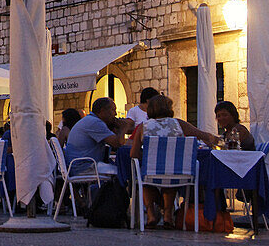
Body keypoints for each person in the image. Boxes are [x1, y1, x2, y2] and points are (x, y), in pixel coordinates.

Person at [130, 95, 195, 228]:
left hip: (150, 174)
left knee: (146, 179)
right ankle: (167, 216)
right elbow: (202, 135)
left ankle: (150, 215)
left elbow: (134, 154)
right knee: (169, 177)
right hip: (176, 174)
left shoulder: (144, 126)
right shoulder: (178, 124)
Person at [65, 97, 123, 177]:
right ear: (102, 111)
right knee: (122, 170)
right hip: (83, 167)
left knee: (117, 168)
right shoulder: (95, 122)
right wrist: (123, 128)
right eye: (113, 110)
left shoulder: (90, 120)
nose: (115, 114)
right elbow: (117, 143)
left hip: (78, 166)